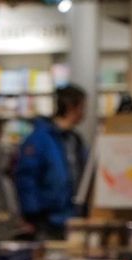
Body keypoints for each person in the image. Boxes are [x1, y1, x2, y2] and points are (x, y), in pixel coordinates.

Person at [13, 85, 88, 240]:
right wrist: (33, 214)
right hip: (47, 220)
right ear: (70, 107)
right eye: (82, 107)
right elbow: (26, 177)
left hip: (72, 217)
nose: (84, 113)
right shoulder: (40, 139)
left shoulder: (75, 139)